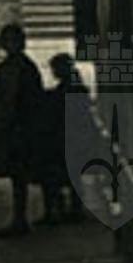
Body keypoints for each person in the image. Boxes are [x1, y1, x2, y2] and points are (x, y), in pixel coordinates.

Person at [0, 21, 46, 237]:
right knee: (18, 175)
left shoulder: (21, 68)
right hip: (14, 127)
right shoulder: (14, 67)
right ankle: (20, 217)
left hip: (19, 128)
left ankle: (20, 219)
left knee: (19, 174)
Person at [40, 52, 88, 225]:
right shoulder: (76, 86)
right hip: (74, 135)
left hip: (65, 135)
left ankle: (59, 210)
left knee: (56, 174)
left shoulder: (68, 88)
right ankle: (74, 209)